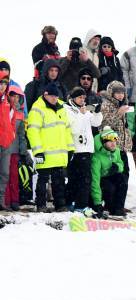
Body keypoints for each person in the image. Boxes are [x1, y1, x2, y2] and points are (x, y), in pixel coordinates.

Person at [26, 83, 75, 212]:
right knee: (42, 180)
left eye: (56, 96)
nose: (54, 98)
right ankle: (41, 204)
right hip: (44, 153)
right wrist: (37, 152)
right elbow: (32, 131)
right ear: (45, 95)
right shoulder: (37, 109)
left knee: (59, 181)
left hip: (59, 154)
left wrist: (70, 149)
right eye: (52, 96)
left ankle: (60, 205)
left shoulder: (61, 108)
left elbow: (67, 130)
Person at [64, 87, 103, 212]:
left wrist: (97, 112)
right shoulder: (67, 110)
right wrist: (81, 114)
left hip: (86, 149)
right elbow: (74, 129)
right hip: (75, 149)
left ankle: (80, 204)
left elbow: (96, 123)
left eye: (84, 98)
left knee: (85, 179)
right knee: (75, 179)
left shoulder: (85, 110)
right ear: (73, 98)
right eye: (80, 97)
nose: (82, 100)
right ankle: (74, 204)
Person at [0, 84, 27, 211]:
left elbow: (22, 134)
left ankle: (14, 200)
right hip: (4, 146)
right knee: (4, 174)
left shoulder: (21, 114)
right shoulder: (3, 109)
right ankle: (5, 201)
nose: (15, 99)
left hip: (14, 149)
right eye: (13, 96)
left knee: (13, 176)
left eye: (18, 97)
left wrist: (23, 150)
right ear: (8, 96)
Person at [91, 127, 128, 218]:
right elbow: (95, 181)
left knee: (122, 179)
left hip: (109, 178)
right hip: (100, 182)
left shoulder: (116, 151)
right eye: (110, 141)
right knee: (109, 187)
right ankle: (109, 207)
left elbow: (121, 164)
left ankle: (118, 208)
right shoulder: (97, 157)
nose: (113, 143)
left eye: (115, 140)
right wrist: (97, 203)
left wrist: (117, 167)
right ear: (104, 142)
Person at [100, 81, 132, 183]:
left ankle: (120, 199)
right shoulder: (106, 105)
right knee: (114, 179)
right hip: (111, 150)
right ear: (111, 93)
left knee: (124, 175)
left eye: (122, 93)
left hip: (122, 149)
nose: (120, 95)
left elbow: (124, 127)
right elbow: (104, 126)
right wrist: (118, 114)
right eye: (117, 93)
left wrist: (128, 142)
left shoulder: (123, 105)